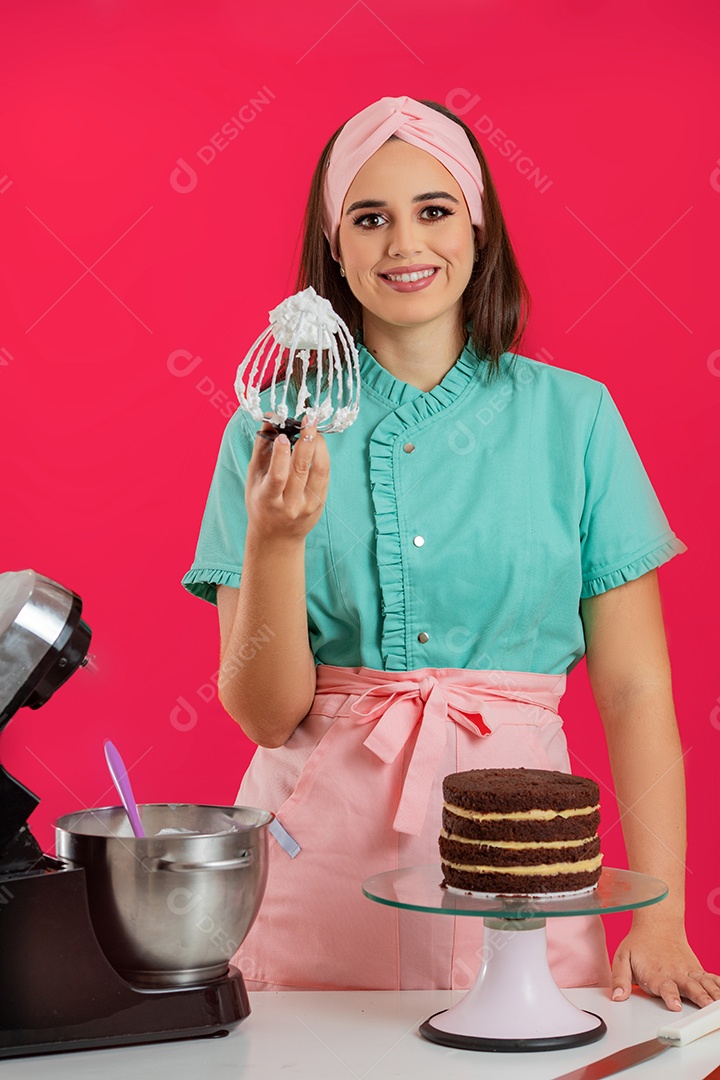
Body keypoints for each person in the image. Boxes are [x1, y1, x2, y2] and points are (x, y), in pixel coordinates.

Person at [182, 95, 720, 1007]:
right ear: (335, 247)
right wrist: (275, 539)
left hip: (527, 876)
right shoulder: (270, 430)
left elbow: (634, 691)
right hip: (320, 878)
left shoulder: (576, 419)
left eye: (433, 211)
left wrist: (659, 916)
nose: (404, 245)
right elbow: (266, 715)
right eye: (370, 218)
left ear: (476, 228)